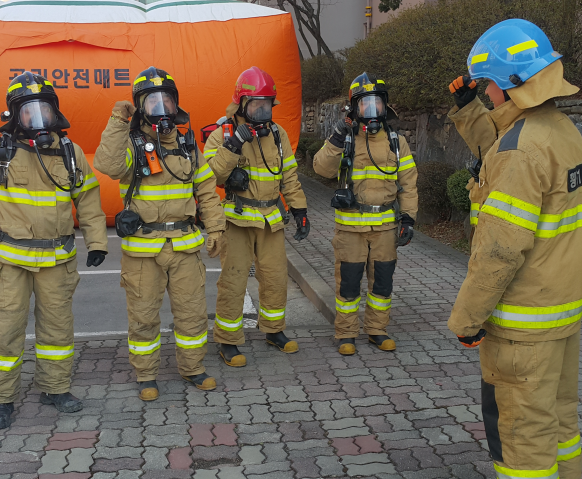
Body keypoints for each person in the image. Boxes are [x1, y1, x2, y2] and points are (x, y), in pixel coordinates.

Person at [446, 18, 582, 479]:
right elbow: (499, 143)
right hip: (560, 315)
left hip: (520, 329)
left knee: (522, 441)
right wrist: (467, 106)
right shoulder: (559, 130)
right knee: (559, 426)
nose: (484, 93)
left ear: (509, 85)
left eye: (486, 85)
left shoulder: (520, 152)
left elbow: (500, 252)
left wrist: (467, 318)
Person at [0, 71, 108, 430]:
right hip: (10, 261)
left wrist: (97, 242)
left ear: (55, 113)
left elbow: (89, 199)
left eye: (44, 110)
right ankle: (1, 399)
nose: (37, 119)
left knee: (57, 331)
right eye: (28, 112)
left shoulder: (70, 151)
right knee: (4, 331)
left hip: (57, 261)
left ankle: (55, 388)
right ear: (14, 116)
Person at [93, 66, 226, 401]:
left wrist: (216, 228)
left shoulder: (187, 145)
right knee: (143, 317)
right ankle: (146, 375)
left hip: (184, 247)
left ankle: (193, 367)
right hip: (143, 250)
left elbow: (207, 191)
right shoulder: (131, 145)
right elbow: (108, 165)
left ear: (175, 104)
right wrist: (118, 121)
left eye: (166, 100)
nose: (161, 108)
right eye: (152, 102)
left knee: (192, 312)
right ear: (141, 108)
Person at [202, 66, 310, 366]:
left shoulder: (277, 135)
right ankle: (227, 340)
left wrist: (299, 209)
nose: (262, 112)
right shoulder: (222, 133)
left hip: (271, 221)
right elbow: (210, 175)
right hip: (236, 221)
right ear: (241, 104)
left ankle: (274, 331)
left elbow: (289, 174)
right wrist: (233, 145)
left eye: (266, 105)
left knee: (275, 279)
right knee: (233, 282)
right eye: (256, 105)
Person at [313, 73, 418, 355]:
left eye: (376, 104)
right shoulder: (345, 139)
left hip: (384, 228)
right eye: (364, 105)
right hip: (350, 229)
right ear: (354, 108)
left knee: (382, 282)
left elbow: (408, 182)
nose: (371, 110)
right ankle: (345, 333)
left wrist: (408, 218)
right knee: (348, 284)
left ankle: (376, 330)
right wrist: (337, 134)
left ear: (385, 106)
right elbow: (321, 169)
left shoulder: (397, 142)